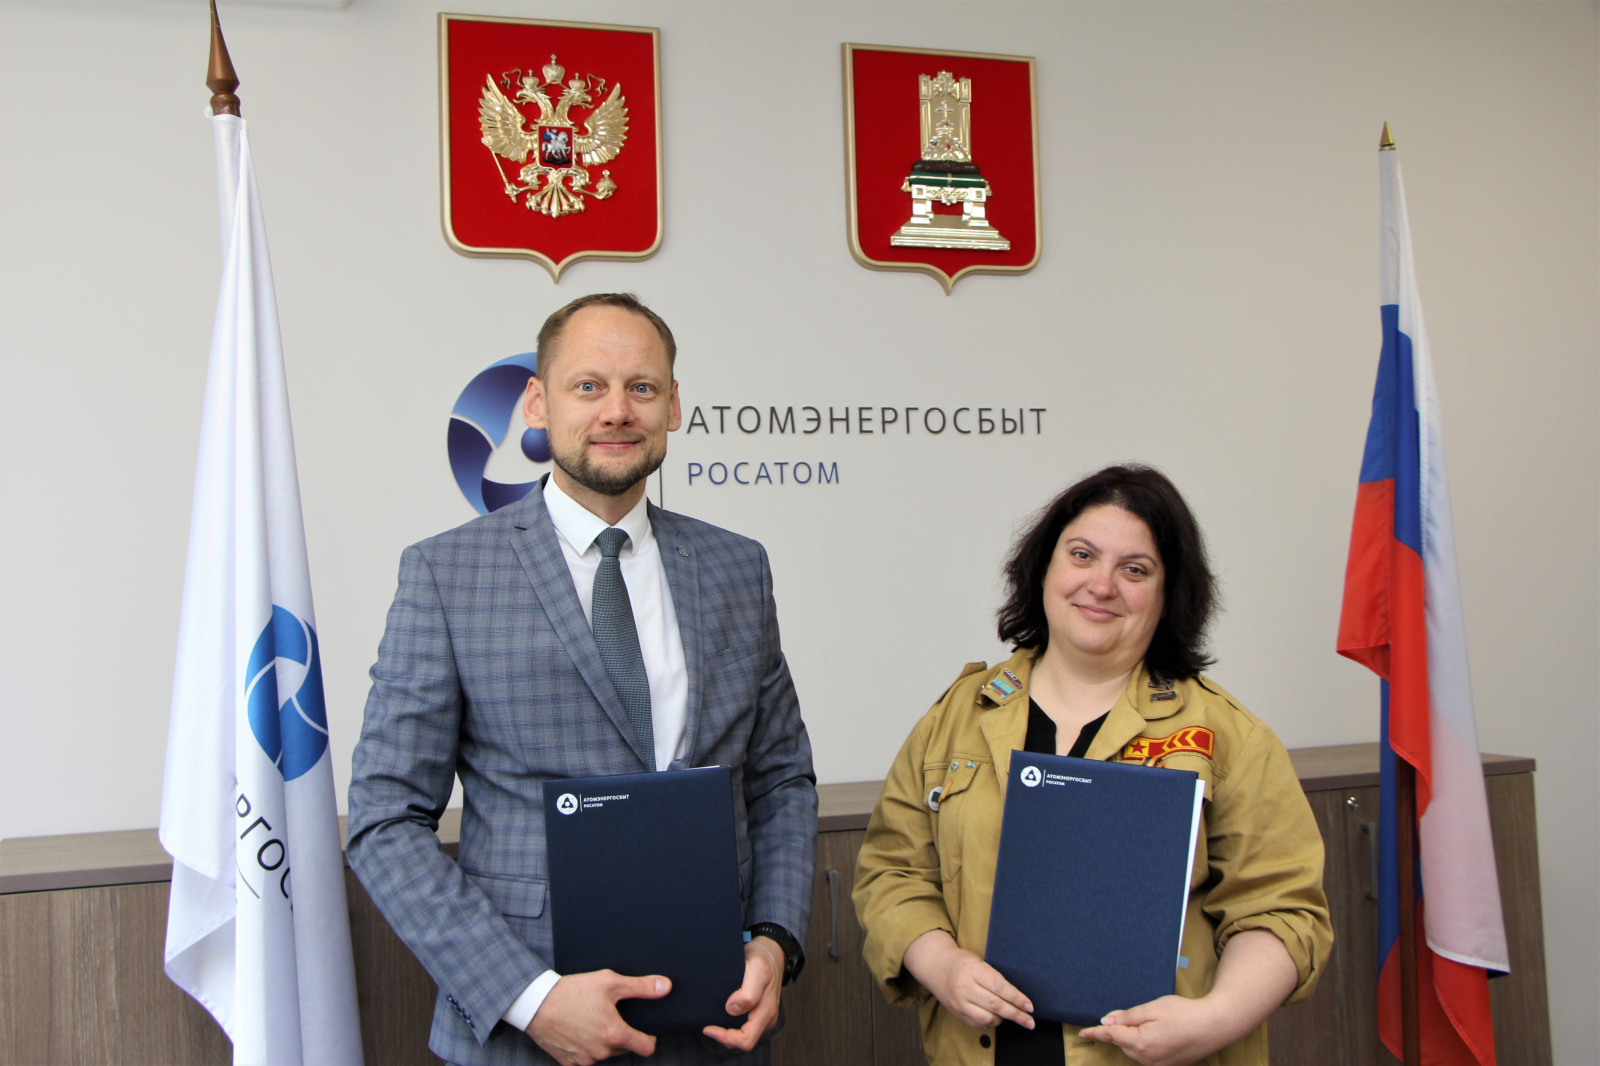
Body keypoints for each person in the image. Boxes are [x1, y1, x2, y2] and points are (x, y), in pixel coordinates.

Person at [347, 293, 817, 1066]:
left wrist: (773, 939)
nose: (617, 410)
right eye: (589, 385)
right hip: (527, 1037)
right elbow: (384, 819)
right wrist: (528, 998)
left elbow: (781, 779)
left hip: (715, 1027)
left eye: (642, 387)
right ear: (537, 402)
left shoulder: (737, 567)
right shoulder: (446, 575)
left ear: (673, 407)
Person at [853, 464, 1332, 1066]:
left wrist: (1216, 1018)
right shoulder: (958, 716)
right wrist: (939, 962)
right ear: (1044, 567)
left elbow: (1281, 910)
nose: (1101, 586)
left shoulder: (1228, 737)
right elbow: (892, 871)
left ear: (1169, 592)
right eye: (1082, 555)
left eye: (1135, 570)